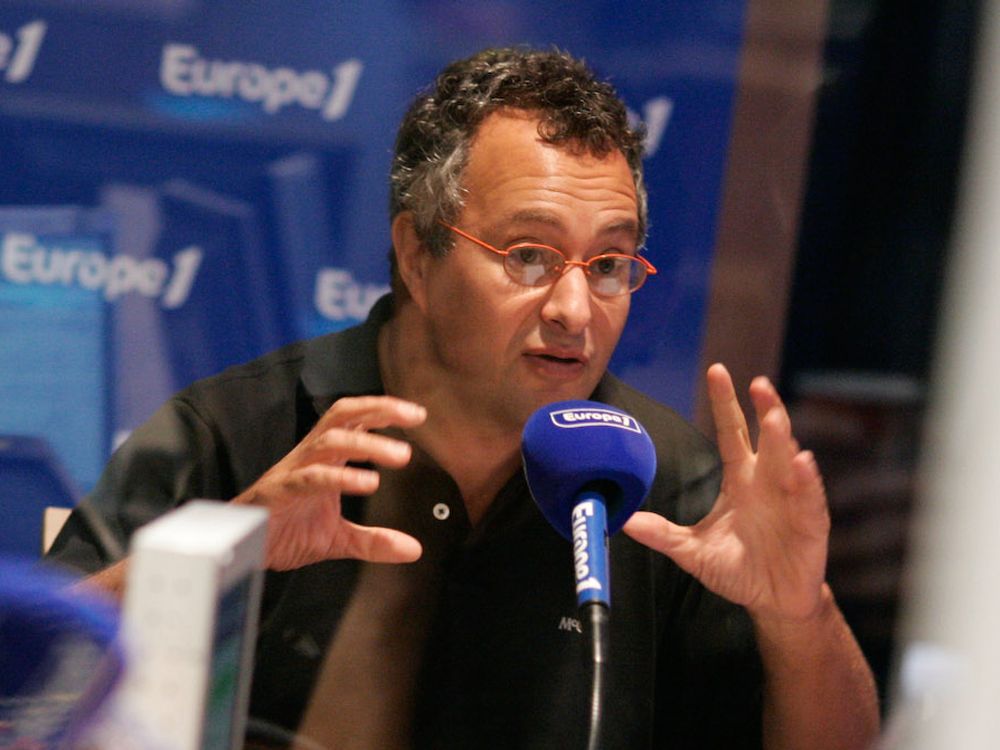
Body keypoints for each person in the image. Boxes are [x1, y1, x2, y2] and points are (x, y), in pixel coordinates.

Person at [47, 47, 879, 749]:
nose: (574, 309)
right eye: (528, 256)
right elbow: (25, 684)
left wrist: (799, 615)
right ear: (418, 255)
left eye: (608, 265)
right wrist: (228, 552)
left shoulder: (671, 488)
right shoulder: (241, 435)